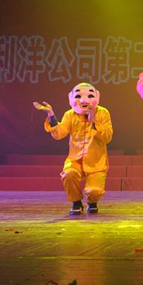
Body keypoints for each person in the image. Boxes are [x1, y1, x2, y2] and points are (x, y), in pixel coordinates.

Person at [33, 83, 113, 215]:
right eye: (78, 96)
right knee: (68, 173)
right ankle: (76, 202)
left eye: (90, 96)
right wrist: (51, 114)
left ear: (97, 96)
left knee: (94, 191)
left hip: (96, 161)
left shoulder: (103, 113)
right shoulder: (69, 114)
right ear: (70, 98)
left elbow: (107, 137)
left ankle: (92, 201)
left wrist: (94, 121)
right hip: (75, 159)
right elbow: (59, 133)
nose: (84, 100)